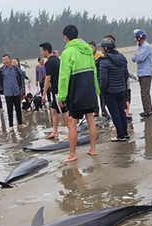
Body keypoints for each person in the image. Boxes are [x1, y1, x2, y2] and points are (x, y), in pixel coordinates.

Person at [57, 25, 99, 162]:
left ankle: (72, 154)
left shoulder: (67, 52)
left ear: (65, 38)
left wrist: (61, 96)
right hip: (89, 89)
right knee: (90, 119)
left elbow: (63, 77)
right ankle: (93, 149)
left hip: (76, 90)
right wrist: (96, 90)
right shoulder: (88, 50)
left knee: (72, 122)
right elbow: (94, 71)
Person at [98, 37, 130, 142]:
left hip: (109, 91)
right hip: (121, 89)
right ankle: (125, 134)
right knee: (121, 111)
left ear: (106, 48)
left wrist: (101, 91)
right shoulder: (122, 58)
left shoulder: (104, 61)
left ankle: (120, 136)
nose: (101, 49)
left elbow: (103, 79)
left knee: (115, 113)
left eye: (102, 47)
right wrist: (123, 86)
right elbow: (126, 75)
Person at [40, 41, 69, 140]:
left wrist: (43, 94)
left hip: (58, 90)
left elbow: (48, 79)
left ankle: (70, 132)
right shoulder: (57, 59)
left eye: (42, 51)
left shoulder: (49, 63)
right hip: (59, 89)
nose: (41, 53)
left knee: (64, 111)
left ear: (46, 51)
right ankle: (55, 131)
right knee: (53, 110)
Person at [0, 54, 26, 131]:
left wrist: (22, 89)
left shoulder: (15, 69)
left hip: (16, 91)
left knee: (18, 108)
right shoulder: (1, 70)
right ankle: (11, 125)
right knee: (9, 109)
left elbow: (21, 78)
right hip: (8, 92)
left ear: (10, 60)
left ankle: (20, 123)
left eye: (6, 59)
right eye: (4, 60)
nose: (5, 61)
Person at [132, 29, 152, 117]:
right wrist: (135, 56)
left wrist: (136, 56)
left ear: (139, 38)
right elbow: (134, 58)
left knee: (145, 93)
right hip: (141, 73)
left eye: (135, 37)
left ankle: (148, 110)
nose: (134, 39)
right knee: (143, 93)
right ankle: (146, 109)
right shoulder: (139, 46)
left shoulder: (146, 47)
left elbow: (139, 58)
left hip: (146, 73)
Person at [90, 40, 108, 118]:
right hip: (92, 78)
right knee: (93, 95)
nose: (91, 49)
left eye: (92, 47)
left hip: (99, 77)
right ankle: (96, 111)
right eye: (89, 47)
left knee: (102, 95)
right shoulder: (88, 57)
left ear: (95, 47)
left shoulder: (99, 56)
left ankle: (103, 110)